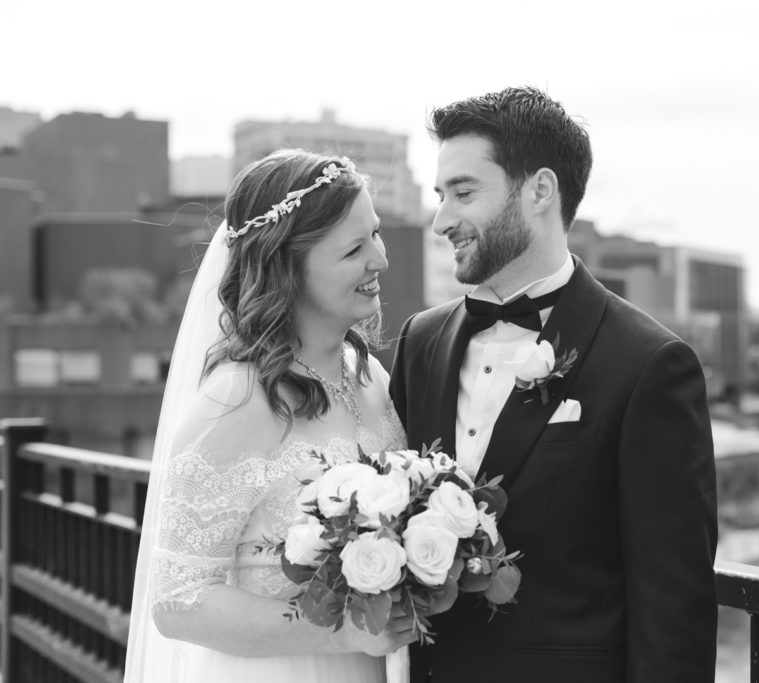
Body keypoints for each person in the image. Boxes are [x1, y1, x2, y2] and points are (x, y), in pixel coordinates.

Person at [390, 87, 718, 682]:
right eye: (441, 196)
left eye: (463, 193)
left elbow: (675, 608)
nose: (441, 220)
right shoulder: (420, 342)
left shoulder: (650, 364)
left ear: (540, 191)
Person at [124, 149, 415, 682]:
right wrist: (340, 630)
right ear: (288, 267)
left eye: (375, 234)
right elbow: (177, 600)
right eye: (354, 249)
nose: (380, 260)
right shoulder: (237, 400)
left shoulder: (369, 374)